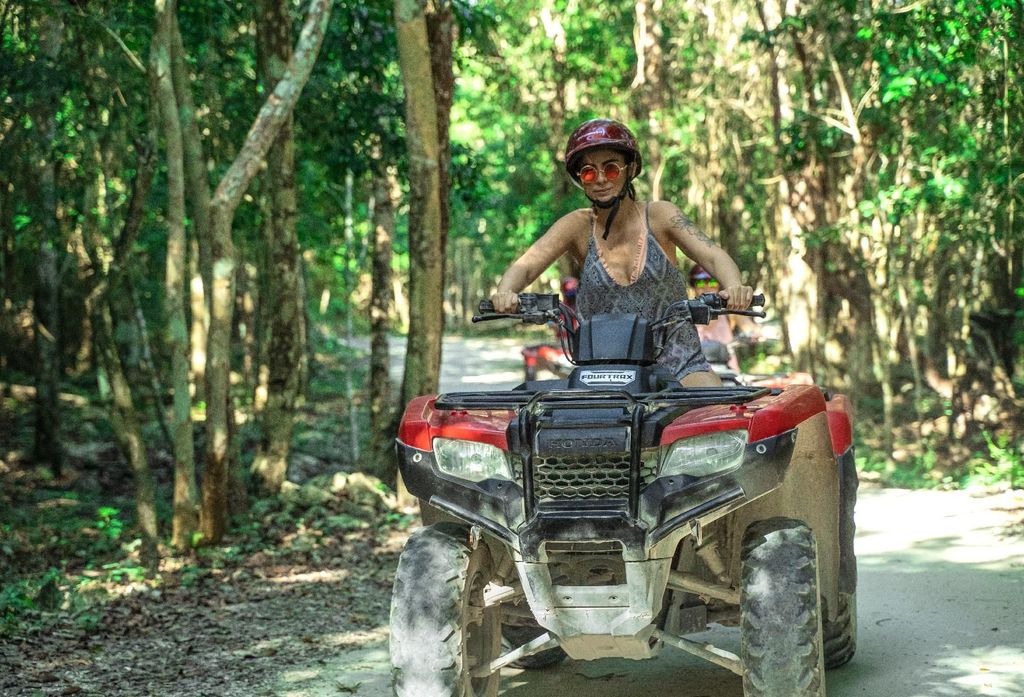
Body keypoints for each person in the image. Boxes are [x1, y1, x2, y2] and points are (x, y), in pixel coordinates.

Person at [491, 118, 753, 387]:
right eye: (589, 172)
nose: (601, 179)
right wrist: (505, 293)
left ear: (630, 170)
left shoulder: (661, 216)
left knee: (713, 408)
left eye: (611, 168)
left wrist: (734, 288)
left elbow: (712, 255)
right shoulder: (577, 225)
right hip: (601, 371)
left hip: (679, 362)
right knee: (550, 421)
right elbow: (527, 265)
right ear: (581, 180)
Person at [689, 265, 741, 372]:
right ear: (694, 287)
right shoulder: (686, 312)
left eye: (712, 283)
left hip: (728, 369)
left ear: (719, 286)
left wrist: (759, 331)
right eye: (700, 283)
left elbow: (749, 325)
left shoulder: (729, 311)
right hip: (697, 371)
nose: (707, 288)